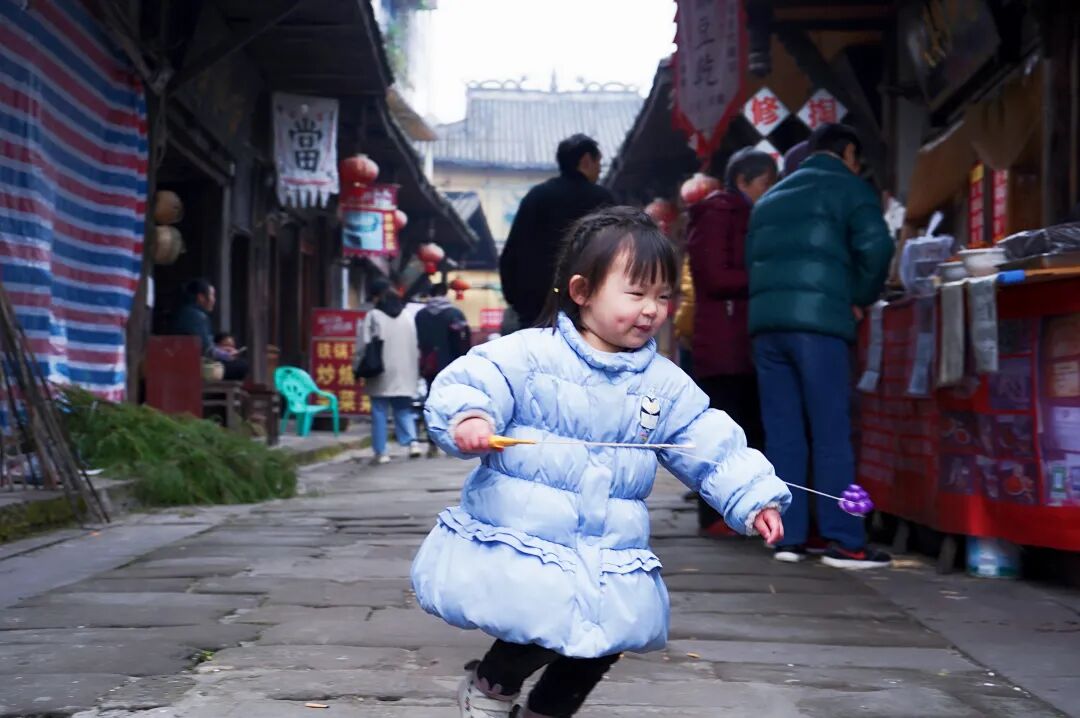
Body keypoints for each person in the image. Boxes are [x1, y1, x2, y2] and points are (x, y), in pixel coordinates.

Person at [412, 207, 791, 718]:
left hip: (611, 542)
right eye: (635, 294)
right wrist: (471, 418)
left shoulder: (663, 382)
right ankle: (490, 687)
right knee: (537, 625)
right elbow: (475, 381)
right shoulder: (529, 354)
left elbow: (708, 440)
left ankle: (546, 713)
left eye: (662, 296)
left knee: (604, 639)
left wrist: (752, 495)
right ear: (582, 291)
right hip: (533, 533)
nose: (651, 310)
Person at [747, 123, 895, 568]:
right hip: (820, 326)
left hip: (767, 328)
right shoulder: (849, 187)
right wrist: (859, 296)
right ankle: (845, 539)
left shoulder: (770, 198)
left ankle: (787, 538)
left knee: (783, 434)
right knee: (832, 432)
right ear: (848, 152)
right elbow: (878, 248)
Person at [686, 149, 778, 536]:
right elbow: (714, 276)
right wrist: (766, 278)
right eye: (766, 184)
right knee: (725, 431)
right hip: (724, 340)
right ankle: (715, 517)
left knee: (747, 427)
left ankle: (740, 512)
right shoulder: (720, 212)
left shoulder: (739, 213)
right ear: (742, 181)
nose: (770, 191)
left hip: (740, 338)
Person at [499, 133, 615, 329]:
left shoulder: (536, 197)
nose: (599, 171)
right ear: (586, 161)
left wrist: (519, 303)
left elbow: (511, 255)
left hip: (536, 311)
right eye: (598, 164)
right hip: (586, 310)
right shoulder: (601, 200)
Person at [357, 279, 421, 464]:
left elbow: (363, 345)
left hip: (380, 370)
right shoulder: (407, 316)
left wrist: (356, 368)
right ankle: (413, 442)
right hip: (406, 370)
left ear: (376, 297)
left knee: (379, 411)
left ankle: (381, 452)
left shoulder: (373, 316)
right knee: (403, 408)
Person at [415, 282, 472, 457]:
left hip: (429, 365)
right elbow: (464, 340)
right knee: (453, 402)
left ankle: (432, 442)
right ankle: (451, 441)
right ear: (446, 293)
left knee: (431, 402)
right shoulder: (454, 314)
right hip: (451, 365)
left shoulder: (420, 315)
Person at [171, 279, 247, 380]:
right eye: (212, 295)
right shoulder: (197, 316)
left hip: (185, 362)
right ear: (201, 297)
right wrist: (226, 355)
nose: (214, 300)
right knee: (242, 365)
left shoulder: (187, 312)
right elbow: (207, 351)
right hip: (194, 365)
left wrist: (221, 349)